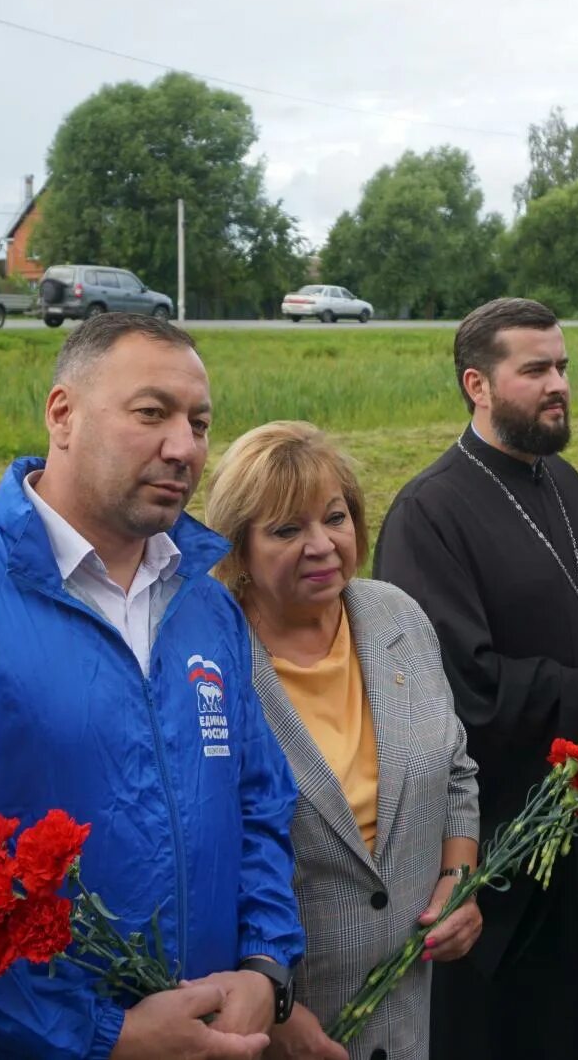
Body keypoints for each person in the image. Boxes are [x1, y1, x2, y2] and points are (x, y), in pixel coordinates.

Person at [0, 313, 302, 1059]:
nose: (183, 447)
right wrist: (101, 1035)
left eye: (200, 422)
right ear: (63, 414)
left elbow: (260, 802)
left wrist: (266, 967)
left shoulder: (206, 606)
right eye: (151, 413)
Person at [373, 297, 578, 1060]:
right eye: (535, 369)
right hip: (507, 828)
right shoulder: (429, 512)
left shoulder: (565, 483)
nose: (557, 383)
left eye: (561, 365)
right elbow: (449, 686)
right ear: (478, 383)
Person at [205, 421, 482, 1060]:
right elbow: (201, 856)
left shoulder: (396, 615)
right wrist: (274, 1008)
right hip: (278, 1025)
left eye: (335, 518)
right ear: (237, 549)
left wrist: (457, 877)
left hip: (407, 1013)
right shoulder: (210, 660)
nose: (322, 545)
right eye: (285, 530)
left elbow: (457, 770)